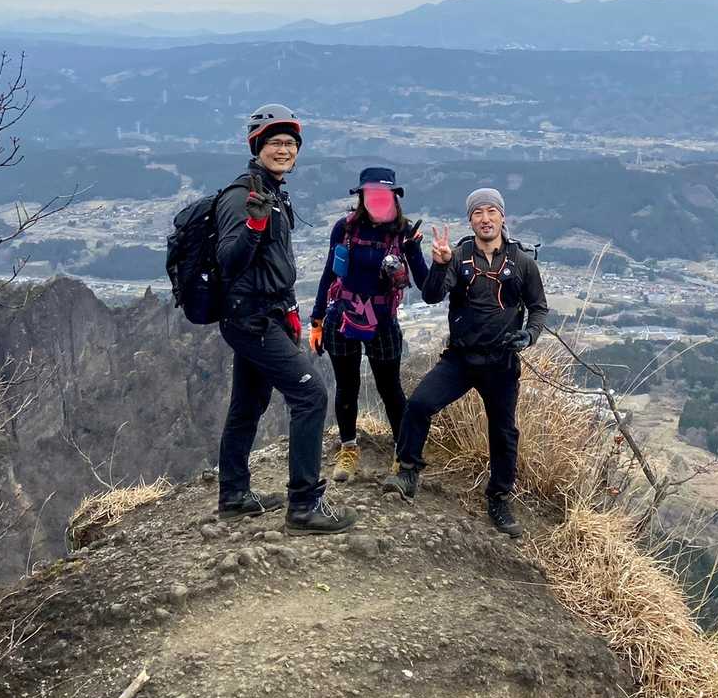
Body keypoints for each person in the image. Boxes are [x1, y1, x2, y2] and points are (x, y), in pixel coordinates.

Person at [214, 103, 355, 534]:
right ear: (257, 146)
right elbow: (228, 260)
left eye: (290, 143)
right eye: (274, 142)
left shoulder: (272, 192)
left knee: (248, 404)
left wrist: (290, 311)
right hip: (250, 319)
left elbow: (274, 264)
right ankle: (304, 505)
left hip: (267, 315)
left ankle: (234, 496)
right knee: (310, 396)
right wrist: (253, 228)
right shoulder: (241, 197)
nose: (284, 150)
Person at [383, 187, 548, 536]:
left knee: (503, 432)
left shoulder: (522, 262)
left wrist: (529, 336)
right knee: (419, 405)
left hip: (501, 362)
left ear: (502, 216)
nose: (485, 219)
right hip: (460, 358)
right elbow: (432, 295)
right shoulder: (458, 256)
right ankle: (407, 472)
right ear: (470, 220)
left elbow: (538, 308)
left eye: (491, 212)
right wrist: (441, 264)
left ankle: (499, 498)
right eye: (478, 213)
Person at [309, 166, 428, 482]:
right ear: (362, 196)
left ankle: (403, 454)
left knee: (390, 389)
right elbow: (329, 273)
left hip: (383, 321)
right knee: (346, 386)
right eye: (372, 194)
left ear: (393, 197)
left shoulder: (403, 234)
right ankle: (349, 448)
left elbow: (425, 284)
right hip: (342, 316)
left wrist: (416, 251)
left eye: (383, 194)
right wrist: (317, 320)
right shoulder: (345, 228)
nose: (377, 200)